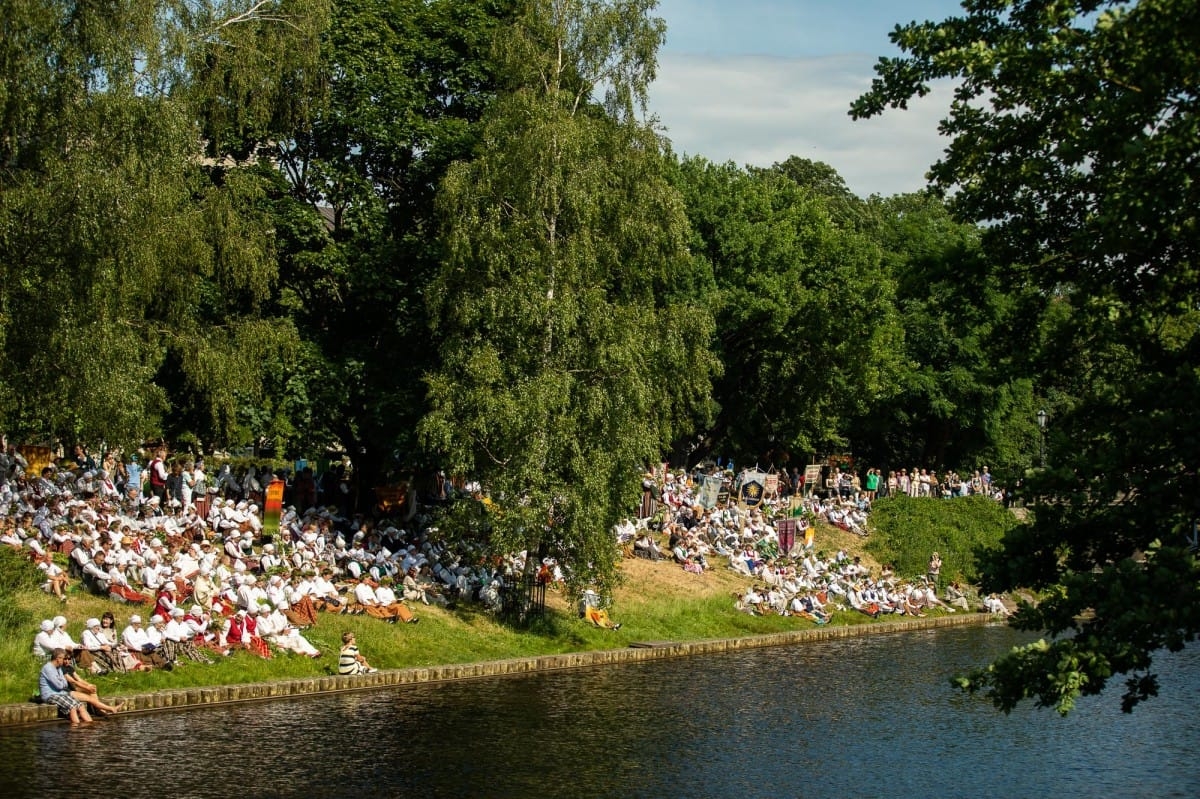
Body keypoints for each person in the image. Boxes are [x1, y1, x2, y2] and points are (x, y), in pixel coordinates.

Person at [39, 648, 93, 725]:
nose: (65, 660)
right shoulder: (48, 668)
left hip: (60, 693)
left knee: (80, 705)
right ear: (58, 658)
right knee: (72, 707)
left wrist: (61, 682)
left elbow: (65, 684)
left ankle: (91, 726)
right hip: (50, 695)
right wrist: (61, 682)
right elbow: (59, 686)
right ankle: (76, 729)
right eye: (64, 658)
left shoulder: (59, 668)